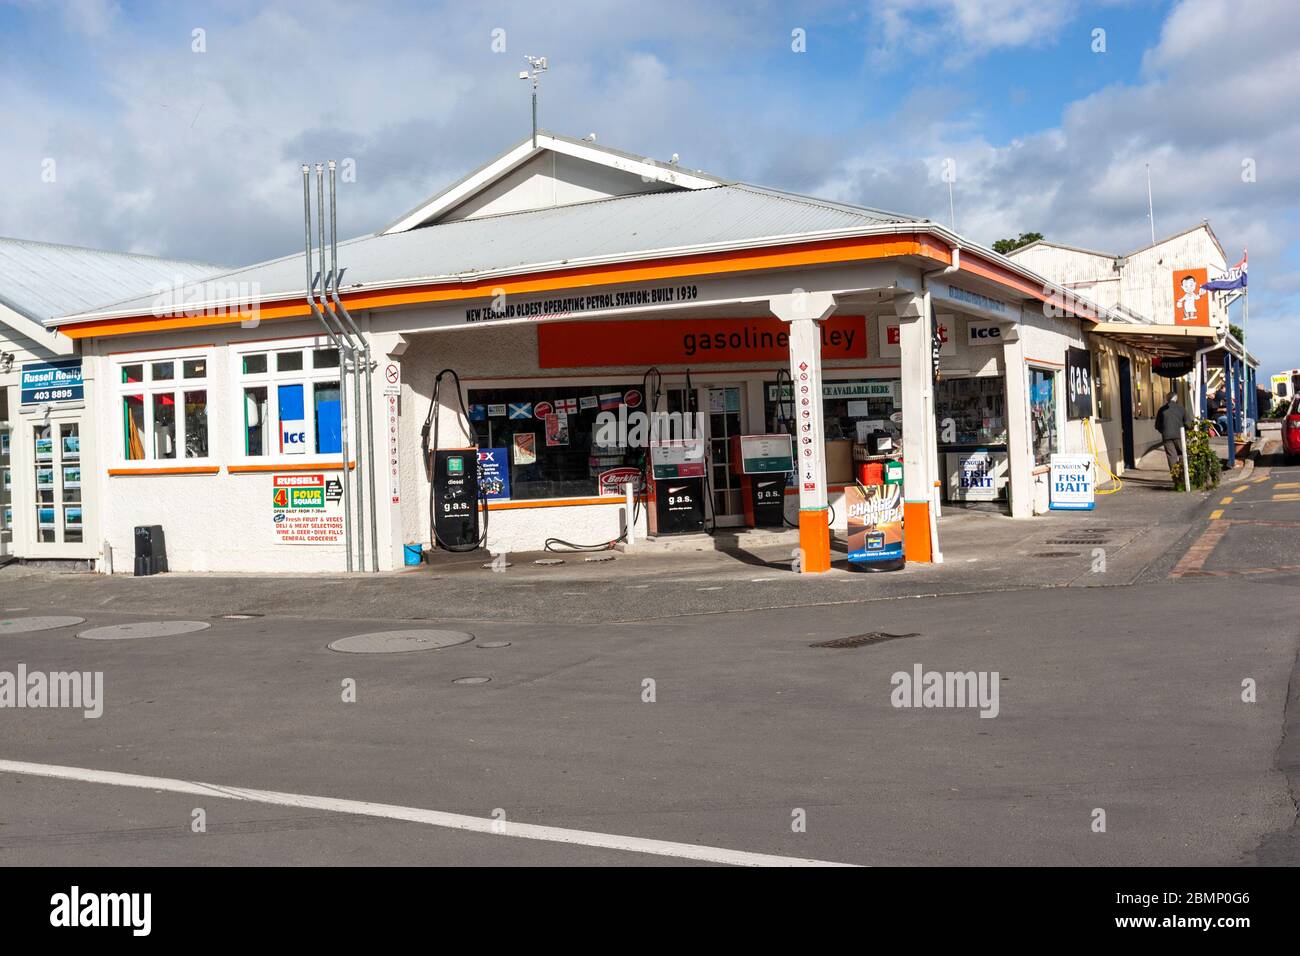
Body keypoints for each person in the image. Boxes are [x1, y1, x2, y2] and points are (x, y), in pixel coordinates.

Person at [1155, 391, 1189, 471]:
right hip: (1179, 435)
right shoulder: (1181, 408)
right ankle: (1182, 473)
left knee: (1171, 456)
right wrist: (1185, 431)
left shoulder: (1161, 409)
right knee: (1182, 454)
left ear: (1167, 399)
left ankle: (1175, 475)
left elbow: (1157, 425)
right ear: (1176, 398)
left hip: (1167, 436)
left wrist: (1164, 431)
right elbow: (1188, 423)